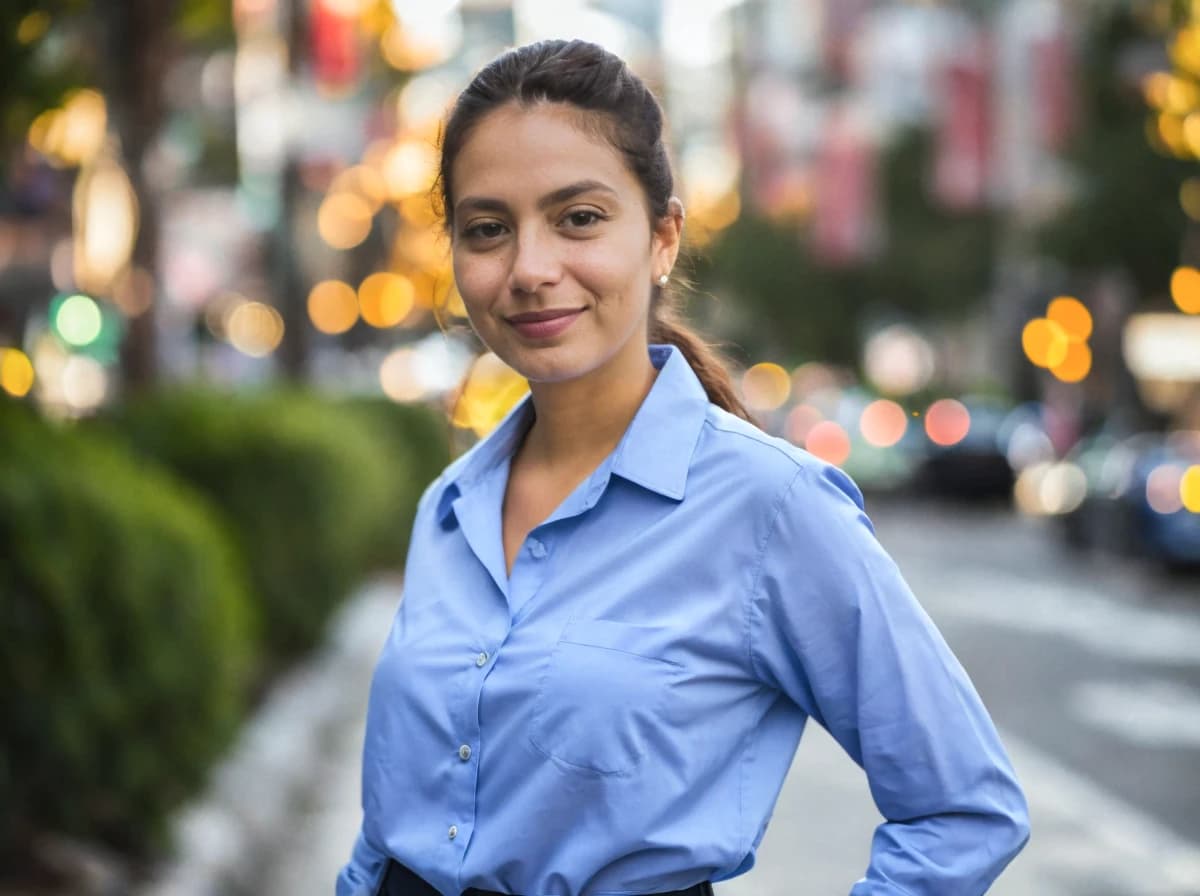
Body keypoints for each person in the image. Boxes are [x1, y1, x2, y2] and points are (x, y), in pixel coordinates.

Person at [336, 39, 1030, 896]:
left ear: (662, 237)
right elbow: (391, 826)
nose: (530, 270)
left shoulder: (773, 507)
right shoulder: (451, 505)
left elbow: (964, 808)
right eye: (488, 230)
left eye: (579, 217)